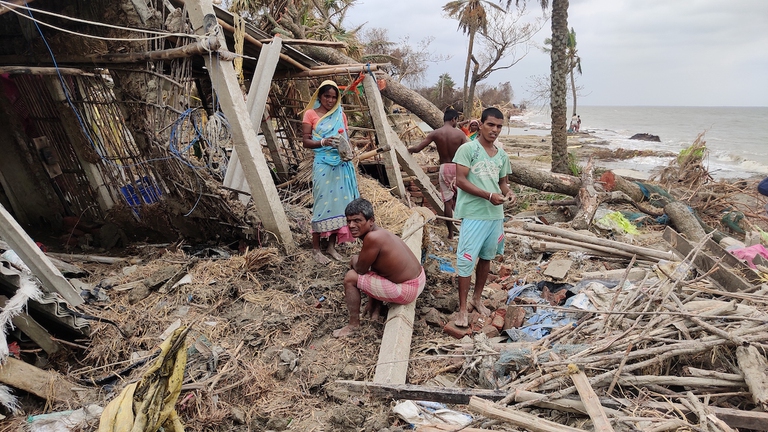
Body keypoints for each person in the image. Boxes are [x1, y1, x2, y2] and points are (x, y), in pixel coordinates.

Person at [452, 107, 517, 327]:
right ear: (480, 125)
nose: (495, 130)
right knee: (466, 259)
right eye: (491, 124)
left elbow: (503, 182)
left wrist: (508, 193)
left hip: (495, 215)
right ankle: (462, 309)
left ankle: (477, 298)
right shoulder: (468, 149)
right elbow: (460, 180)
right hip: (474, 213)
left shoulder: (502, 155)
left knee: (487, 257)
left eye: (499, 126)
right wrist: (487, 195)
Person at [333, 198, 426, 337]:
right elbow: (377, 269)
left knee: (350, 277)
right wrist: (372, 301)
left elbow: (360, 270)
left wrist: (354, 259)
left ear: (371, 220)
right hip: (418, 280)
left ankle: (353, 325)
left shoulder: (373, 238)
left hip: (407, 290)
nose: (351, 225)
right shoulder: (380, 233)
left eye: (357, 220)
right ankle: (376, 307)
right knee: (363, 267)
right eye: (348, 221)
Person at [302, 80, 360, 264]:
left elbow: (345, 140)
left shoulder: (339, 115)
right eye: (327, 96)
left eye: (334, 97)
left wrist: (350, 152)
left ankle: (331, 247)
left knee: (341, 205)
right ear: (319, 96)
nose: (330, 100)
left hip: (341, 165)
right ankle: (316, 249)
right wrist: (323, 142)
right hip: (323, 164)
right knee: (321, 204)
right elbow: (305, 141)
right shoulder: (310, 114)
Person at [408, 109, 468, 239]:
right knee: (462, 199)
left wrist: (410, 150)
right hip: (458, 168)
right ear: (453, 119)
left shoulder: (435, 133)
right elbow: (468, 153)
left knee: (447, 201)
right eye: (456, 120)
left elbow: (418, 148)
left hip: (444, 168)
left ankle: (451, 233)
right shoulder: (460, 135)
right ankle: (465, 230)